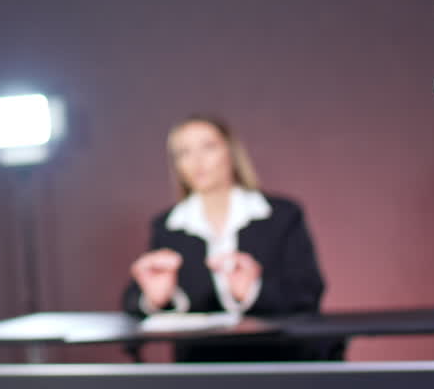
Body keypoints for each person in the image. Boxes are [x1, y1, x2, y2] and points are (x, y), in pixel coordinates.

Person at [121, 115, 330, 361]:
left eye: (208, 147)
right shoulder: (169, 226)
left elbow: (307, 293)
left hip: (276, 362)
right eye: (183, 152)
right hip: (199, 369)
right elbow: (132, 304)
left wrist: (252, 292)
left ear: (230, 152)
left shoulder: (280, 216)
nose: (197, 161)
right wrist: (156, 300)